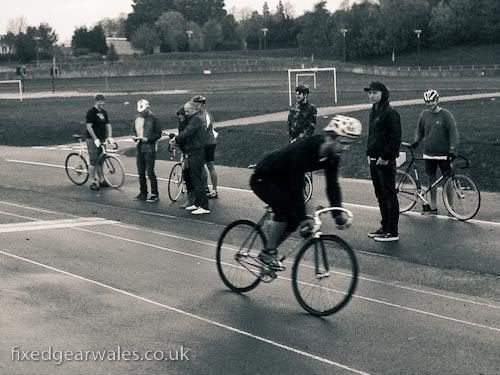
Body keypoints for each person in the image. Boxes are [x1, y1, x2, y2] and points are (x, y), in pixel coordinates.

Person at [250, 116, 361, 269]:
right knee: (284, 209)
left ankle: (271, 247)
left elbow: (332, 185)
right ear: (330, 139)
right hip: (264, 177)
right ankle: (267, 252)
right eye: (343, 143)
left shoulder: (332, 156)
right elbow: (296, 188)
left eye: (349, 143)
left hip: (284, 178)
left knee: (294, 219)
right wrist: (304, 219)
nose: (346, 148)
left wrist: (337, 215)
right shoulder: (304, 149)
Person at [365, 81, 402, 242]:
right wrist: (369, 153)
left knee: (389, 195)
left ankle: (392, 231)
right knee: (380, 195)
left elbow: (395, 137)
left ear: (382, 94)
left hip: (384, 161)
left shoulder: (390, 112)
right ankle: (384, 226)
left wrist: (386, 157)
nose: (371, 95)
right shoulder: (373, 111)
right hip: (373, 160)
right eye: (370, 93)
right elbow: (371, 135)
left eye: (374, 93)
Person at [412, 89, 459, 214]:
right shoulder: (424, 115)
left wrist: (453, 149)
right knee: (431, 180)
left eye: (432, 101)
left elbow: (453, 133)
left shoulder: (446, 115)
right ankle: (433, 206)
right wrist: (416, 141)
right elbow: (420, 130)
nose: (430, 104)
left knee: (447, 179)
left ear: (437, 100)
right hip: (429, 153)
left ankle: (450, 206)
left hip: (444, 154)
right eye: (427, 102)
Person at [175, 101, 210, 215]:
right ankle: (197, 203)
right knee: (194, 177)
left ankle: (204, 206)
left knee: (197, 178)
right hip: (193, 151)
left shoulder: (196, 119)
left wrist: (177, 138)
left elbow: (187, 132)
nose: (186, 113)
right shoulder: (195, 119)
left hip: (197, 151)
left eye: (187, 111)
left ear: (193, 110)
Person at [132, 99, 162, 202]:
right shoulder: (137, 118)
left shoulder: (153, 118)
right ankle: (143, 192)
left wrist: (148, 139)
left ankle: (154, 193)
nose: (141, 113)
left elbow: (158, 133)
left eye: (143, 110)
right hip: (139, 146)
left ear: (147, 108)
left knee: (149, 171)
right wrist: (135, 137)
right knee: (140, 171)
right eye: (140, 111)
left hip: (149, 147)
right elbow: (134, 130)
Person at [191, 95, 219, 199]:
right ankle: (205, 187)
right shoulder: (197, 114)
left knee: (210, 165)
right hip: (201, 143)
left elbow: (203, 130)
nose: (195, 106)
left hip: (208, 143)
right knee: (201, 166)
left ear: (201, 104)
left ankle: (214, 190)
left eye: (196, 104)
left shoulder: (206, 116)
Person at [85, 94, 114, 191]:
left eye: (103, 101)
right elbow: (89, 127)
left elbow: (108, 125)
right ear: (96, 102)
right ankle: (93, 181)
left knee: (101, 160)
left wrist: (109, 136)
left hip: (102, 138)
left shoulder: (104, 112)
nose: (102, 103)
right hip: (92, 139)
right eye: (100, 101)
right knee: (93, 161)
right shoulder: (91, 112)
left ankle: (101, 180)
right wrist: (95, 139)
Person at [175, 105, 196, 209]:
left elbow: (186, 137)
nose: (180, 118)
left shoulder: (187, 125)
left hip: (190, 152)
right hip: (186, 152)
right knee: (188, 175)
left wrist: (177, 140)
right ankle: (192, 199)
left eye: (181, 116)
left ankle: (192, 200)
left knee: (189, 176)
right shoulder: (183, 125)